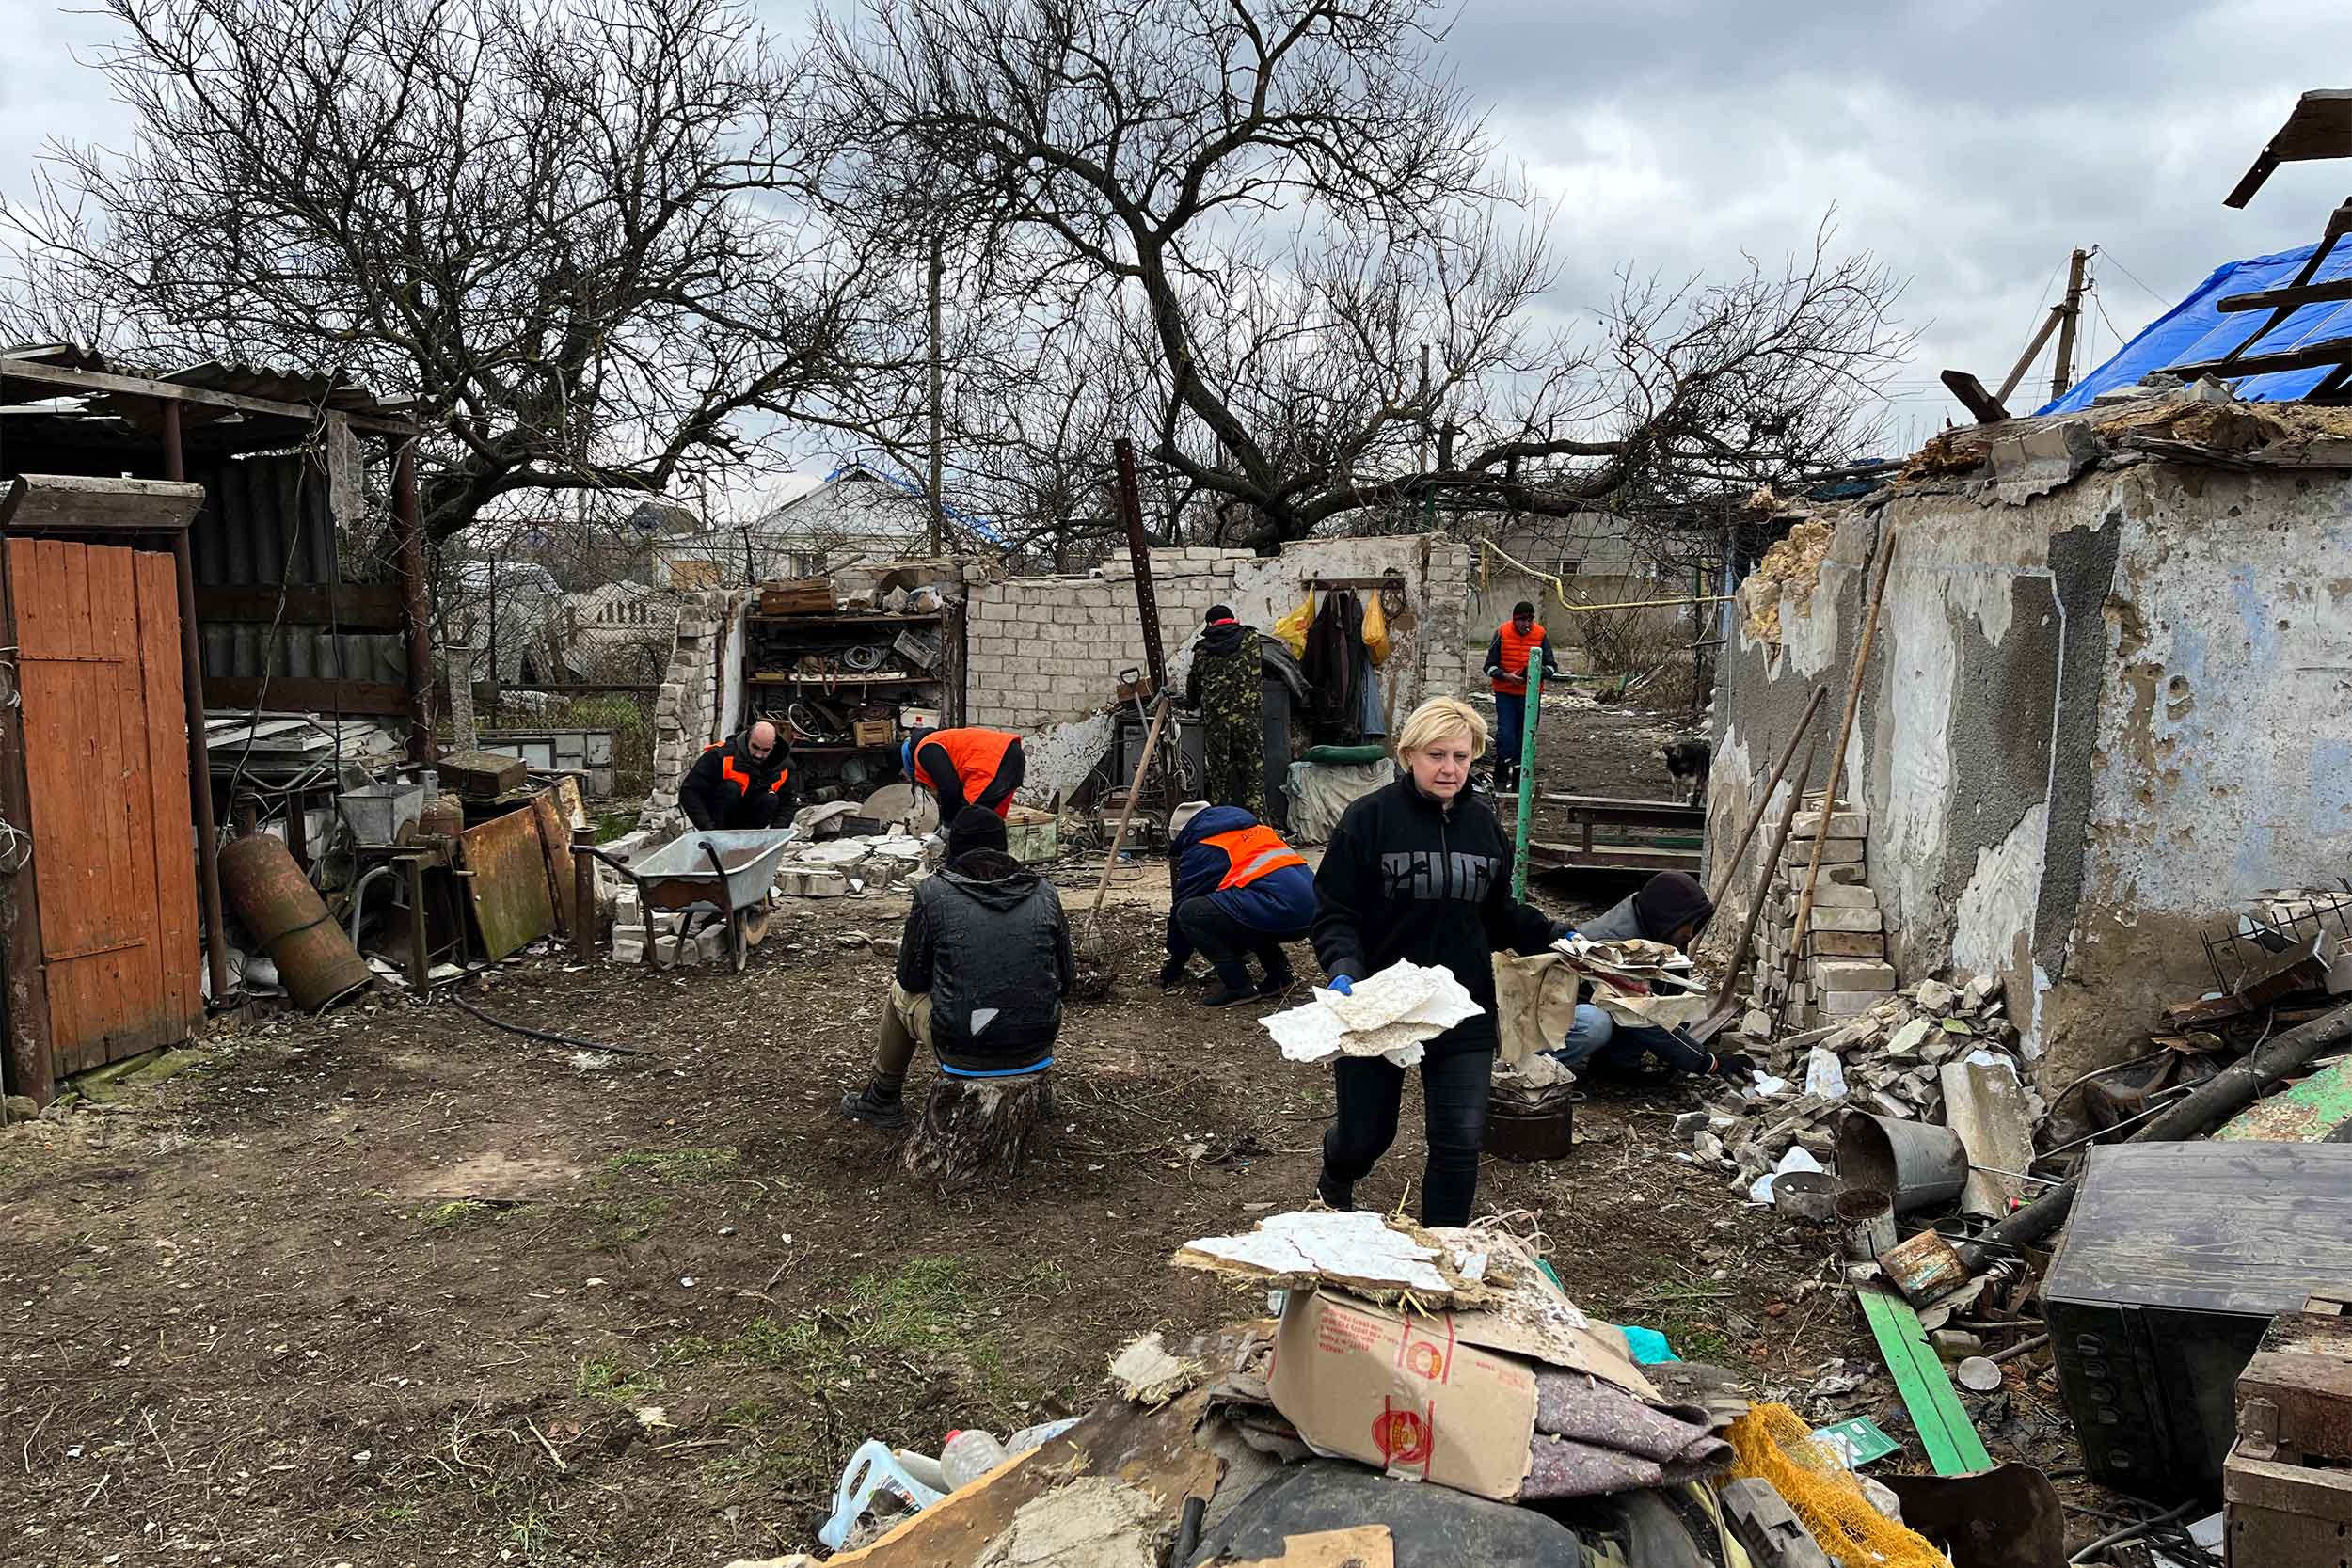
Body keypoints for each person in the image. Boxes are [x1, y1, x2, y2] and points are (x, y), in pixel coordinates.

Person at [1310, 696, 1561, 1227]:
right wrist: (1343, 967)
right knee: (1366, 1136)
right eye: (1436, 755)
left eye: (1462, 757)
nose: (1450, 769)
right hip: (1381, 1005)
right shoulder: (1369, 820)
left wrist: (1562, 939)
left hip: (1462, 1006)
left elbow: (1498, 913)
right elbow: (1335, 910)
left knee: (1459, 1142)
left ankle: (1441, 1254)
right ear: (1408, 756)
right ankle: (1336, 1175)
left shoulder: (1483, 826)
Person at [839, 806, 1074, 1129]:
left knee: (898, 994)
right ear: (1004, 846)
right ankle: (1034, 1088)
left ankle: (882, 1096)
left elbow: (911, 978)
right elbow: (1066, 981)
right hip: (1036, 1045)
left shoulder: (933, 892)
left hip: (963, 1048)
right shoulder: (1044, 892)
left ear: (954, 849)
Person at [1550, 872, 1756, 1082]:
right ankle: (1538, 1069)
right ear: (1667, 916)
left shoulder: (1649, 924)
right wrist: (1709, 1063)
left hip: (1602, 1005)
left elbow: (1667, 995)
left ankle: (1617, 1061)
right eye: (1688, 924)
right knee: (1597, 1024)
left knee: (1675, 1005)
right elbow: (1643, 1016)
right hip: (1558, 1016)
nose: (1690, 932)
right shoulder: (1616, 947)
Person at [1159, 805, 1313, 1007]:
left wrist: (1176, 962)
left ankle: (1238, 987)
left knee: (1190, 913)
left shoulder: (1205, 847)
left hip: (1281, 909)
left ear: (1183, 835)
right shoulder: (1256, 831)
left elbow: (1182, 908)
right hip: (1313, 909)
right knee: (1237, 907)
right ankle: (1279, 976)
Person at [1185, 605, 1265, 816]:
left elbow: (1194, 686)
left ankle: (1222, 826)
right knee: (1253, 773)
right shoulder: (1252, 640)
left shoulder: (1202, 649)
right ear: (1232, 619)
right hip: (1249, 721)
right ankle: (1259, 827)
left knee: (1219, 776)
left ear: (1210, 624)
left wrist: (1191, 703)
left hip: (1217, 724)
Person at [1485, 600, 1561, 793]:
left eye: (1530, 619)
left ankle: (1520, 784)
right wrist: (1505, 676)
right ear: (1514, 619)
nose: (1526, 624)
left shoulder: (1540, 634)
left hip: (1530, 696)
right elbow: (1489, 666)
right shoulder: (1502, 633)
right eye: (1522, 620)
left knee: (1526, 737)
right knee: (1506, 735)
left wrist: (1535, 673)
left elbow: (1552, 666)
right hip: (1506, 694)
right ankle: (1500, 778)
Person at [679, 721, 794, 831]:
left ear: (774, 745)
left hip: (752, 824)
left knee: (769, 798)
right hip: (718, 820)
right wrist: (707, 828)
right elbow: (690, 791)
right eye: (755, 747)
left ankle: (751, 840)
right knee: (731, 788)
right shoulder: (720, 756)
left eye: (765, 750)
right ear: (748, 738)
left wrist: (776, 833)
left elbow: (787, 803)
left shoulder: (782, 768)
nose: (759, 755)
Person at [904, 725, 1025, 820]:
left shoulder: (925, 749)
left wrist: (947, 823)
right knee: (984, 821)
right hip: (1009, 755)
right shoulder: (942, 740)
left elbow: (950, 789)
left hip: (997, 762)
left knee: (967, 820)